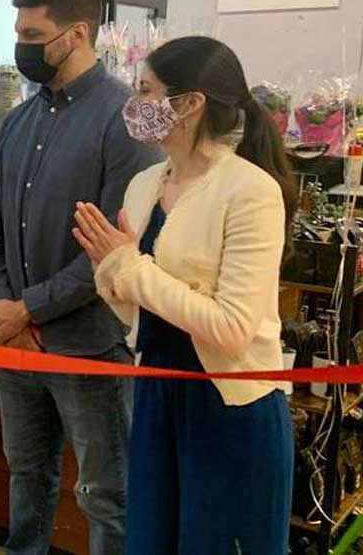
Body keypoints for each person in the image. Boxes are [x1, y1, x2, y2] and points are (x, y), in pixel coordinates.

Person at [73, 36, 296, 554]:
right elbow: (134, 306)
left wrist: (128, 266)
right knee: (150, 541)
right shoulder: (146, 183)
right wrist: (109, 271)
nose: (135, 103)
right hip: (155, 392)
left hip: (230, 400)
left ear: (190, 103)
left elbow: (232, 328)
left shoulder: (250, 191)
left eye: (146, 90)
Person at [0, 0, 161, 555]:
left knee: (107, 495)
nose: (21, 44)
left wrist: (27, 308)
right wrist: (11, 314)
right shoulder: (16, 121)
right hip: (17, 344)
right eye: (18, 31)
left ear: (77, 33)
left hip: (89, 346)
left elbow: (117, 250)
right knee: (26, 474)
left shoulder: (129, 121)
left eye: (33, 33)